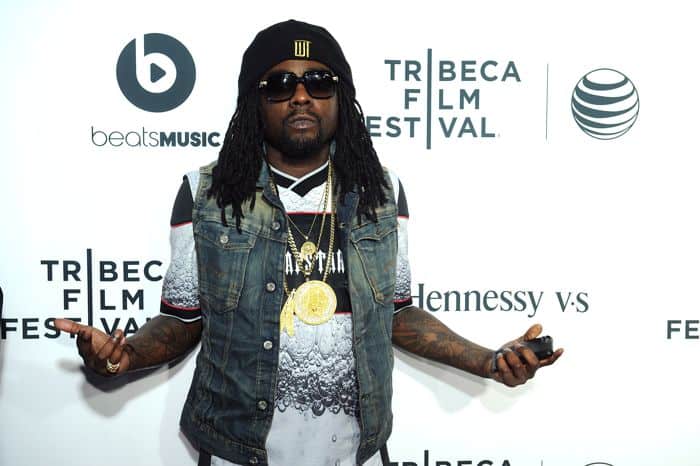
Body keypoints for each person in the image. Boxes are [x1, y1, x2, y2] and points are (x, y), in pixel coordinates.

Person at [56, 19, 562, 466]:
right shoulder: (206, 194)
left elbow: (399, 314)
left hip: (354, 451)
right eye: (280, 84)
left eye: (319, 82)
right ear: (255, 102)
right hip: (239, 450)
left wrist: (489, 360)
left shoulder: (381, 193)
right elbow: (181, 320)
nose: (301, 96)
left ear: (341, 98)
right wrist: (122, 356)